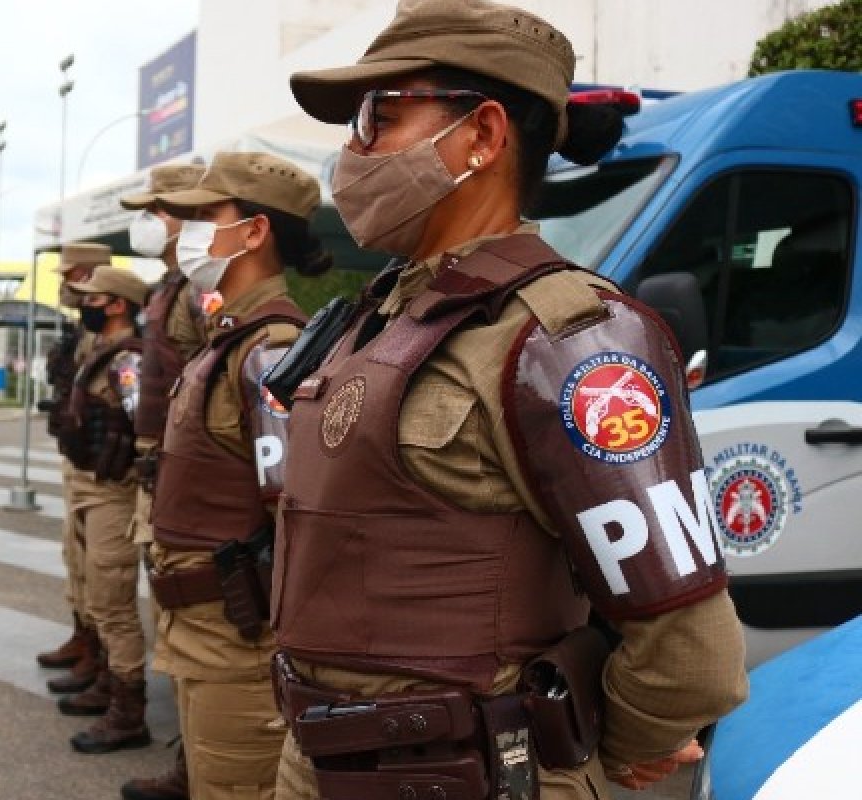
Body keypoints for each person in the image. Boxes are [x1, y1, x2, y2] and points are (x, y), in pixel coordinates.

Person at [267, 3, 750, 799]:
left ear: (483, 137)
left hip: (471, 777)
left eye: (378, 117)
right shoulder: (377, 316)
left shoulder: (570, 339)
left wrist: (608, 745)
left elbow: (688, 650)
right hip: (316, 763)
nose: (354, 152)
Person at [146, 151, 331, 800]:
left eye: (204, 215)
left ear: (255, 231)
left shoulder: (270, 347)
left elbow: (296, 514)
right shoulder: (234, 335)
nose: (188, 229)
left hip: (239, 639)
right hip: (205, 629)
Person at [116, 162, 207, 800]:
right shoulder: (170, 285)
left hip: (188, 477)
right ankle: (194, 758)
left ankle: (200, 764)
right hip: (159, 471)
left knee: (193, 624)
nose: (148, 222)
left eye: (158, 209)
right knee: (171, 620)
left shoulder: (203, 291)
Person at [51, 264, 151, 754]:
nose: (83, 303)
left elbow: (145, 429)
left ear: (116, 304)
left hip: (114, 492)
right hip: (91, 486)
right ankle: (109, 685)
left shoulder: (129, 360)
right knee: (94, 592)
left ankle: (128, 712)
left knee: (112, 602)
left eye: (93, 297)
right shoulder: (103, 351)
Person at [36, 242, 119, 694]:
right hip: (77, 456)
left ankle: (101, 655)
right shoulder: (82, 331)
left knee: (99, 566)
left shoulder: (112, 332)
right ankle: (83, 636)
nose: (62, 285)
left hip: (102, 469)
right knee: (75, 555)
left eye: (68, 275)